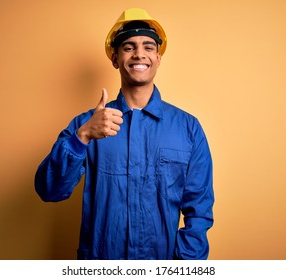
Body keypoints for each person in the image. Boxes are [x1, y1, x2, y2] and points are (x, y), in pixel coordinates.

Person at [35, 8, 214, 260]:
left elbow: (200, 210)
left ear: (158, 57)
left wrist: (184, 266)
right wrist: (82, 137)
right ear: (115, 58)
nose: (139, 53)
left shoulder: (188, 128)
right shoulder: (87, 124)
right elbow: (49, 190)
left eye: (148, 47)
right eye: (129, 47)